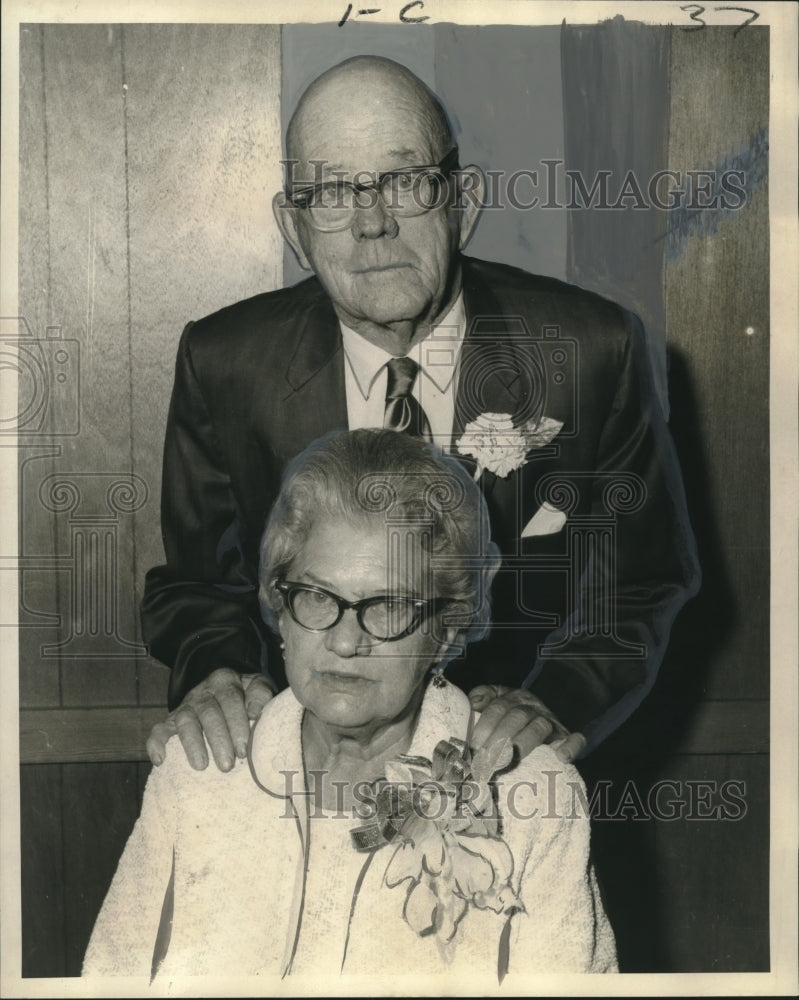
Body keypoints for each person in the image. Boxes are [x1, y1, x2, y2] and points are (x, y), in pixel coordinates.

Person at [142, 55, 699, 774]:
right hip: (299, 767)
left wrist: (553, 702)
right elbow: (196, 583)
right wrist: (217, 674)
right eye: (333, 191)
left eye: (405, 182)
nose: (372, 224)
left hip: (504, 772)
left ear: (460, 198)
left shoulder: (589, 351)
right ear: (293, 224)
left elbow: (641, 580)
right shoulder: (224, 361)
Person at [84, 429, 617, 981]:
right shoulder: (200, 768)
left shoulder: (532, 795)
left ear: (447, 627)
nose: (343, 642)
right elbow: (108, 979)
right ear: (280, 610)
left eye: (387, 607)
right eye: (316, 596)